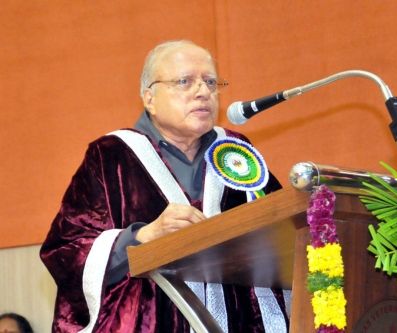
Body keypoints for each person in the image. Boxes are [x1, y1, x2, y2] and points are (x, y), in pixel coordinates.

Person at [40, 40, 289, 332]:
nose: (203, 92)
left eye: (210, 82)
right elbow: (65, 250)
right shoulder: (112, 155)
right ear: (150, 98)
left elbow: (282, 229)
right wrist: (142, 236)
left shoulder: (236, 152)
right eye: (185, 82)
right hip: (151, 320)